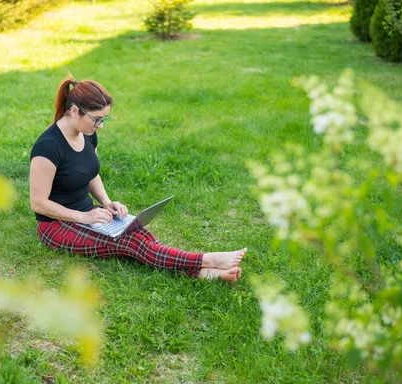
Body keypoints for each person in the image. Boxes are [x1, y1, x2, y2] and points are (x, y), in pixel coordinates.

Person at [29, 76, 247, 283]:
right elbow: (38, 203)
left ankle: (205, 274)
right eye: (97, 119)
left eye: (104, 119)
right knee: (131, 243)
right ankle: (208, 260)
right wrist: (84, 217)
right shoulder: (48, 147)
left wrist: (106, 202)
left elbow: (91, 172)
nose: (101, 126)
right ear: (75, 111)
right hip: (57, 225)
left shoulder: (87, 134)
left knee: (137, 232)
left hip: (89, 214)